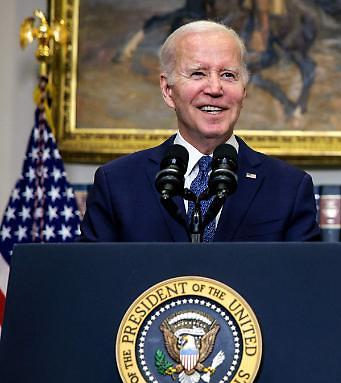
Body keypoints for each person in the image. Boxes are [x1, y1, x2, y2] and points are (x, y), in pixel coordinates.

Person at [79, 21, 320, 242]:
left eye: (228, 75)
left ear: (244, 91)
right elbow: (95, 280)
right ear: (167, 90)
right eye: (198, 73)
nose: (215, 88)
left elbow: (303, 284)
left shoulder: (289, 188)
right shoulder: (117, 183)